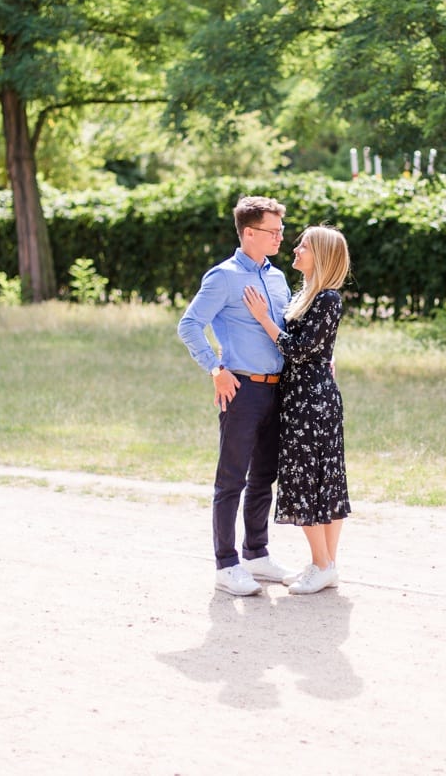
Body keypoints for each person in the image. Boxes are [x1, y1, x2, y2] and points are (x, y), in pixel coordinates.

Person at [177, 195, 299, 596]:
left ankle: (256, 553)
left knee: (265, 475)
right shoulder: (223, 277)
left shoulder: (278, 278)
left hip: (277, 390)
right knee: (231, 479)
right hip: (242, 389)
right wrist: (215, 368)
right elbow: (190, 324)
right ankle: (226, 564)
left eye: (281, 230)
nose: (281, 237)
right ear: (249, 233)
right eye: (273, 231)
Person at [243, 224, 352, 595]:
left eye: (303, 245)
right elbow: (318, 346)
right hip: (304, 396)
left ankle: (323, 564)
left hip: (311, 402)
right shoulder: (307, 295)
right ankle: (325, 565)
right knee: (320, 480)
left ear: (319, 255)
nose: (295, 249)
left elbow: (299, 349)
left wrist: (263, 319)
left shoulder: (327, 298)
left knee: (311, 480)